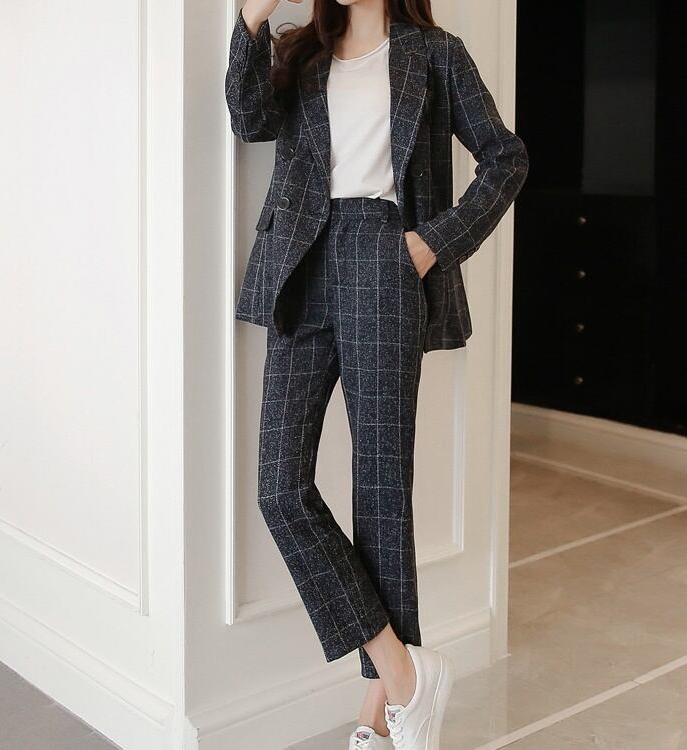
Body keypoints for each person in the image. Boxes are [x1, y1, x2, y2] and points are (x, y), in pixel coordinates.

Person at [225, 0, 529, 747]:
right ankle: (405, 677)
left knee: (381, 491)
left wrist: (433, 243)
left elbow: (505, 158)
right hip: (303, 262)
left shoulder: (436, 53)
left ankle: (381, 722)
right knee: (279, 488)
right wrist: (249, 20)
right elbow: (249, 119)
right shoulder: (302, 53)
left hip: (385, 257)